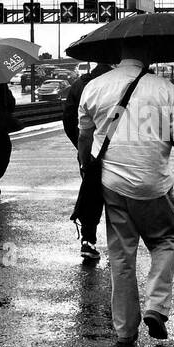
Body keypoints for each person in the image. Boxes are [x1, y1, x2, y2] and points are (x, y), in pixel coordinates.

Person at [78, 40, 174, 347]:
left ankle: (126, 331)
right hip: (154, 185)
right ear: (149, 54)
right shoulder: (164, 88)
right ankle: (156, 306)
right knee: (165, 241)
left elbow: (84, 136)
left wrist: (85, 165)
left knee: (121, 255)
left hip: (112, 184)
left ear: (118, 54)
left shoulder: (94, 87)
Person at [63, 62, 114, 259]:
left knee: (90, 193)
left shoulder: (79, 85)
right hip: (115, 150)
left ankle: (88, 240)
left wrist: (81, 147)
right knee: (116, 196)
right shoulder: (115, 84)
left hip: (88, 151)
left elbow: (68, 119)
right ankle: (117, 243)